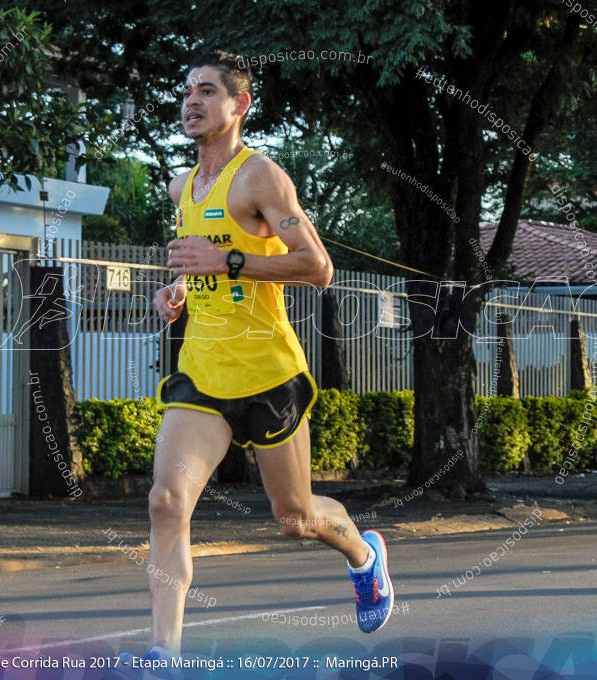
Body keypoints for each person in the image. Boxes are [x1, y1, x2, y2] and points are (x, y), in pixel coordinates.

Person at [114, 51, 394, 677]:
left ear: (239, 106)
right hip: (203, 371)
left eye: (207, 91)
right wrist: (176, 293)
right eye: (187, 90)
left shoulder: (259, 176)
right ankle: (165, 653)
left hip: (268, 373)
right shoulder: (181, 186)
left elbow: (318, 268)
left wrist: (231, 263)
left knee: (294, 519)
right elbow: (198, 270)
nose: (192, 101)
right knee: (165, 502)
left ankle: (362, 554)